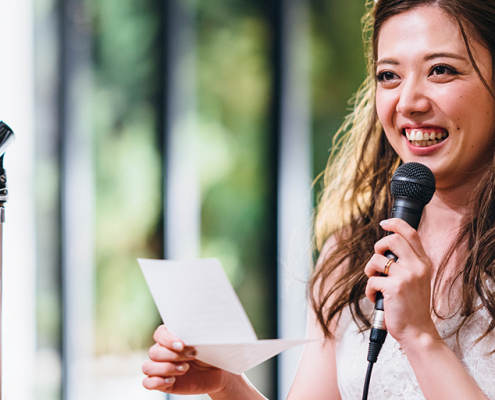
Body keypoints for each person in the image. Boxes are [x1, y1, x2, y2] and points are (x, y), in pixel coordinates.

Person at [141, 0, 495, 398]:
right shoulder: (351, 255)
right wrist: (226, 384)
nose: (409, 102)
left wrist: (420, 338)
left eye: (441, 70)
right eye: (389, 75)